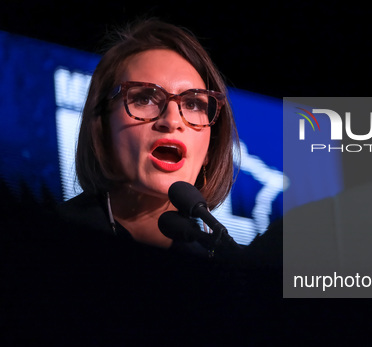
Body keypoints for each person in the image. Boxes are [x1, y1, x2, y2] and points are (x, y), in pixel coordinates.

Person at [58, 19, 239, 256]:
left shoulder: (221, 266)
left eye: (194, 104)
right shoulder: (50, 235)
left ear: (210, 149)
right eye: (144, 99)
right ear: (102, 128)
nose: (172, 121)